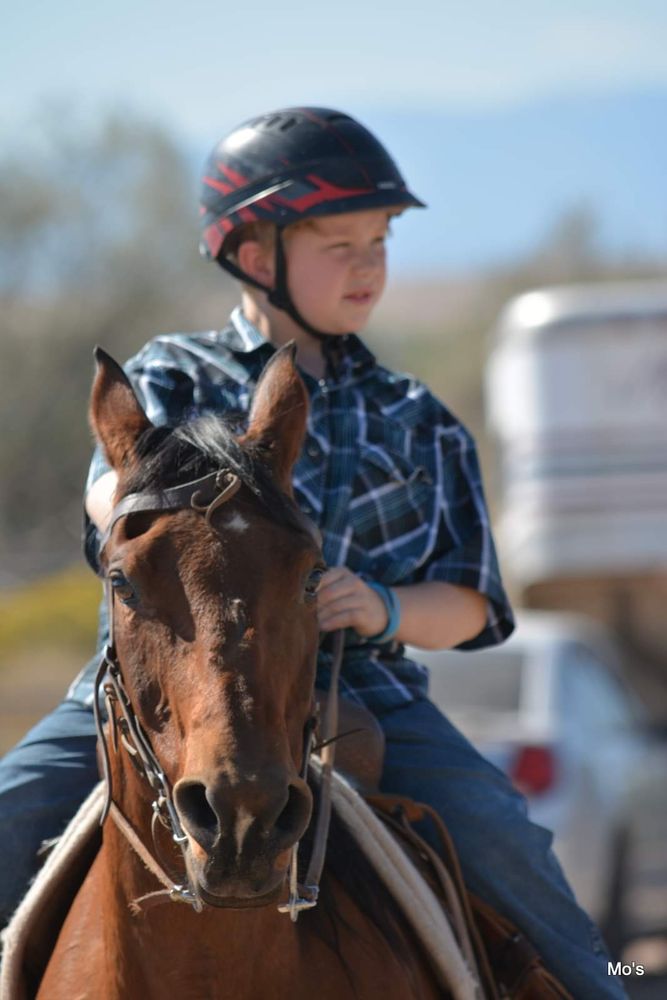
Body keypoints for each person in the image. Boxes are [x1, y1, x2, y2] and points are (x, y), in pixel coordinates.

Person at [0, 107, 624, 998]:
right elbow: (110, 486)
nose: (368, 263)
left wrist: (383, 608)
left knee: (503, 840)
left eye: (379, 240)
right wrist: (137, 512)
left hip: (367, 692)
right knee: (9, 808)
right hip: (157, 681)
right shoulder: (173, 373)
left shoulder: (420, 420)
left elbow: (475, 604)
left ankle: (598, 986)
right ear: (256, 256)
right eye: (339, 243)